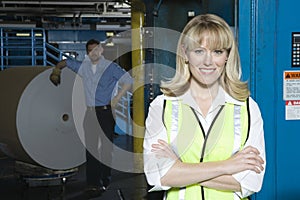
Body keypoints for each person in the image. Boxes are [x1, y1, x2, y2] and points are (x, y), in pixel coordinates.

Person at [143, 14, 266, 200]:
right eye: (199, 51)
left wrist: (180, 170)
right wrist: (227, 166)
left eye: (217, 51)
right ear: (185, 53)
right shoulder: (162, 106)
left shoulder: (247, 107)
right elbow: (158, 176)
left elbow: (251, 182)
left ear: (227, 56)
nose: (208, 61)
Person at [49, 39, 133, 197]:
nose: (93, 53)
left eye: (96, 50)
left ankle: (104, 180)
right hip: (90, 113)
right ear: (87, 53)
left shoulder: (111, 67)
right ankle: (93, 183)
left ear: (101, 50)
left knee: (106, 148)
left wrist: (117, 98)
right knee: (91, 149)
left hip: (106, 113)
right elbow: (65, 62)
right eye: (90, 50)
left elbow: (129, 80)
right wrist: (56, 71)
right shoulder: (83, 67)